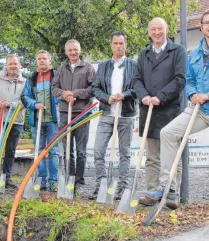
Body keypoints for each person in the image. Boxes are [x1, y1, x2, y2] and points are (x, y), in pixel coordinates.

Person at [141, 7, 209, 227]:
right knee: (168, 133)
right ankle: (166, 185)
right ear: (200, 27)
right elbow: (189, 80)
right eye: (207, 22)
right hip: (199, 110)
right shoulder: (196, 53)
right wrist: (192, 94)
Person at [133, 18, 187, 206]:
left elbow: (180, 79)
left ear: (167, 30)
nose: (157, 32)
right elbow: (136, 80)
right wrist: (144, 96)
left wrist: (160, 97)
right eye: (153, 29)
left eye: (160, 29)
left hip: (170, 111)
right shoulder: (143, 54)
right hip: (148, 110)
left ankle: (171, 194)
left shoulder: (177, 51)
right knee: (152, 156)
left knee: (172, 155)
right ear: (149, 32)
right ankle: (151, 192)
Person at [89, 31, 138, 201]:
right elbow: (95, 88)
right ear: (111, 45)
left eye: (121, 43)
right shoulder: (103, 66)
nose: (118, 46)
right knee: (98, 150)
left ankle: (122, 188)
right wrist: (106, 98)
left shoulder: (133, 65)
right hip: (106, 114)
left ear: (126, 45)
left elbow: (138, 87)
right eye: (115, 43)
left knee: (125, 153)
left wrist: (124, 94)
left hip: (126, 115)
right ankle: (101, 186)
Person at [52, 39, 95, 192]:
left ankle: (79, 181)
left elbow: (93, 89)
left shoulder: (88, 68)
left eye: (75, 49)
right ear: (66, 52)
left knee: (81, 150)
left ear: (80, 50)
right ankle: (69, 179)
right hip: (65, 113)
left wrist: (75, 94)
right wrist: (65, 94)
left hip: (82, 113)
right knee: (67, 148)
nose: (73, 52)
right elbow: (54, 88)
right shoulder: (61, 68)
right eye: (70, 50)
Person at [0, 54, 26, 188]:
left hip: (16, 119)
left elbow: (26, 100)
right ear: (6, 65)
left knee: (10, 149)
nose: (13, 66)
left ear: (19, 66)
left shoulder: (24, 82)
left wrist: (12, 104)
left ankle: (6, 178)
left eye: (15, 64)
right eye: (10, 64)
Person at [21, 50, 60, 191]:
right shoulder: (31, 78)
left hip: (53, 121)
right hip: (37, 121)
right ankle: (42, 180)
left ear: (50, 60)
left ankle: (53, 181)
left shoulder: (56, 75)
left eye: (44, 58)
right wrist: (35, 104)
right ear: (36, 61)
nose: (42, 61)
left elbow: (60, 92)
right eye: (39, 59)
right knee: (39, 151)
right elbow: (25, 97)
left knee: (53, 152)